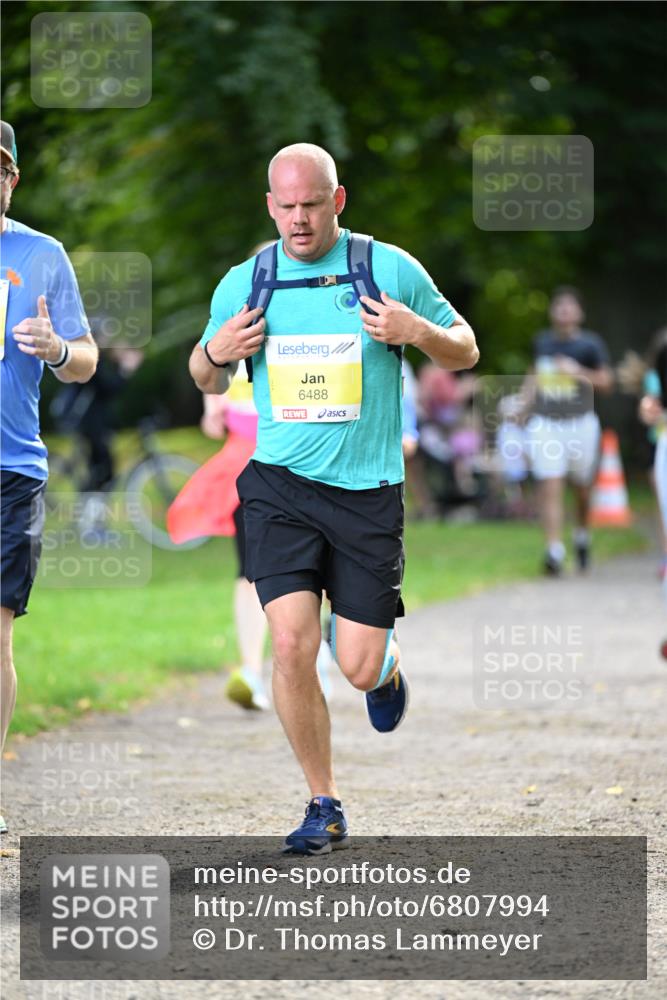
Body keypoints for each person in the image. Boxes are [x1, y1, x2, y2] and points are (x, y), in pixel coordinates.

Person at [189, 143, 478, 855]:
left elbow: (465, 348)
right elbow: (202, 374)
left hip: (366, 494)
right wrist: (218, 353)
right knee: (290, 642)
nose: (298, 219)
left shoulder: (385, 267)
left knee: (354, 665)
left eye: (311, 205)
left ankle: (385, 668)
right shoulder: (249, 281)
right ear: (269, 206)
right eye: (286, 206)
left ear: (337, 200)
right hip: (278, 487)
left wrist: (418, 333)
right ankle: (324, 802)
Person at [0, 120, 98, 833]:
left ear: (12, 178)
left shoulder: (42, 254)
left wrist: (57, 347)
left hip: (10, 470)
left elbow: (86, 358)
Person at [523, 287, 613, 575]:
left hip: (580, 423)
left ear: (579, 313)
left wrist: (577, 371)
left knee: (582, 489)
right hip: (547, 423)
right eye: (558, 306)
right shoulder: (542, 342)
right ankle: (554, 551)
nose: (563, 311)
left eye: (569, 306)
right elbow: (534, 376)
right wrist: (522, 406)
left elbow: (607, 382)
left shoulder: (591, 345)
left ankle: (582, 536)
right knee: (550, 483)